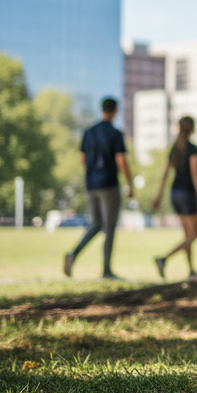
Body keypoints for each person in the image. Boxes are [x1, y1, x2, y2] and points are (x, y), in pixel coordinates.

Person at [64, 97, 134, 279]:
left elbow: (83, 159)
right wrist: (130, 183)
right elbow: (121, 160)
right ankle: (106, 270)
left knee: (96, 224)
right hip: (109, 185)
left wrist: (93, 174)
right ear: (115, 111)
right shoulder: (115, 133)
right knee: (109, 227)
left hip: (91, 185)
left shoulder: (88, 133)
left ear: (102, 109)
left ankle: (73, 254)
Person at [151, 116, 197, 279]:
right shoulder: (192, 149)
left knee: (187, 236)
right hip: (187, 193)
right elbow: (195, 174)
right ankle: (164, 258)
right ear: (192, 129)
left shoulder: (175, 148)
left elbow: (165, 173)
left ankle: (191, 270)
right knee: (194, 235)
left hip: (175, 193)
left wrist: (159, 195)